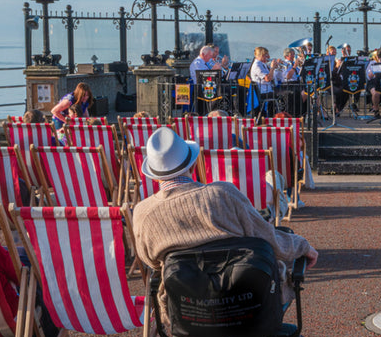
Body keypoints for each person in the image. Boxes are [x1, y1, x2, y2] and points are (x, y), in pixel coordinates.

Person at [132, 128, 318, 309]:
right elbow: (269, 238)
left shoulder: (143, 213)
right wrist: (303, 246)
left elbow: (152, 262)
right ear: (193, 164)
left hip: (185, 308)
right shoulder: (223, 194)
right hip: (249, 300)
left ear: (154, 177)